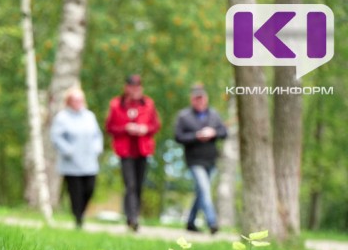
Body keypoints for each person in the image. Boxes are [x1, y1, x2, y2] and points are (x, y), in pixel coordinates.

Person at [105, 74, 161, 232]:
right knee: (130, 184)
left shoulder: (148, 104)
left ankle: (133, 215)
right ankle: (132, 218)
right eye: (132, 86)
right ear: (126, 87)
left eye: (138, 86)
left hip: (143, 149)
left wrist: (145, 129)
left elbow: (155, 125)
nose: (135, 89)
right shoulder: (116, 104)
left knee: (139, 185)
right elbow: (110, 127)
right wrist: (126, 128)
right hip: (125, 150)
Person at [174, 83, 228, 234]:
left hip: (211, 159)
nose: (199, 101)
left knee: (201, 192)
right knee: (205, 189)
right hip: (194, 160)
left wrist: (213, 133)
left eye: (201, 98)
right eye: (196, 99)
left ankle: (191, 222)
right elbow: (178, 137)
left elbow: (223, 132)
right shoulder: (184, 116)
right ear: (192, 100)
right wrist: (197, 136)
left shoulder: (214, 115)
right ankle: (212, 222)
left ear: (206, 99)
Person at [50, 87, 104, 228]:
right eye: (75, 100)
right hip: (71, 163)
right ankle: (78, 218)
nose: (78, 103)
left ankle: (81, 212)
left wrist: (97, 148)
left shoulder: (89, 116)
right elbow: (56, 137)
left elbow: (97, 135)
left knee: (89, 188)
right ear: (69, 102)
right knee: (76, 192)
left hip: (89, 161)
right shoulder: (62, 117)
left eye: (80, 100)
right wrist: (68, 150)